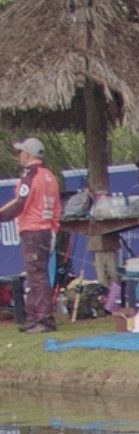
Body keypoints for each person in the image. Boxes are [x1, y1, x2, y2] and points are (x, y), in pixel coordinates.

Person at [2, 136, 63, 333]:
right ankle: (36, 317)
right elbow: (57, 208)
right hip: (45, 231)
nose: (18, 155)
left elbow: (20, 202)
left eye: (20, 151)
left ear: (27, 154)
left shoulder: (30, 175)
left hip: (32, 231)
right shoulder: (50, 176)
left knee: (37, 278)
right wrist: (53, 229)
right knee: (39, 275)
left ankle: (43, 320)